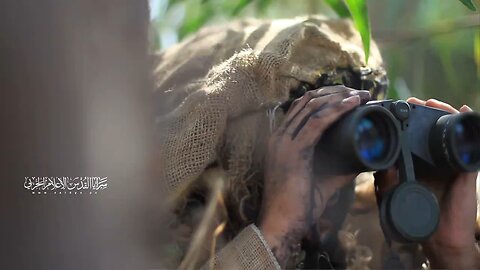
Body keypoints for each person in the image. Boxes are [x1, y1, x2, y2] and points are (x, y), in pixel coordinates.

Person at [155, 16, 479, 269]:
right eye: (303, 125)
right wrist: (277, 232)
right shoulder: (159, 240)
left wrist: (452, 252)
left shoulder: (372, 232)